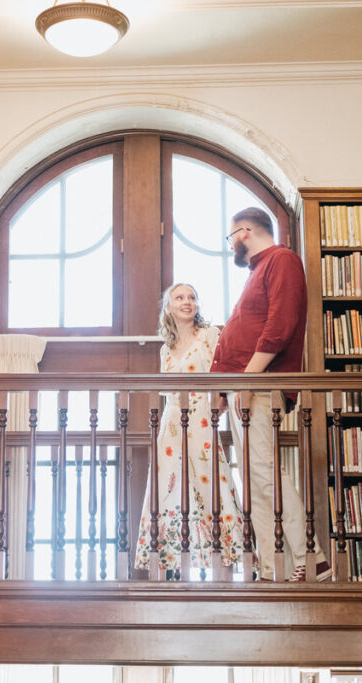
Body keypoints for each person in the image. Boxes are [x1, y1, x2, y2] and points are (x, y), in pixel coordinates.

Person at [211, 206, 330, 582]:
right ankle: (271, 567)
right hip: (244, 387)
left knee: (263, 473)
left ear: (244, 232)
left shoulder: (282, 260)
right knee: (254, 478)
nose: (231, 244)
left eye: (230, 237)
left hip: (258, 387)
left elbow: (280, 325)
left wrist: (248, 381)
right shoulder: (257, 270)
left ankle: (312, 558)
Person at [135, 282, 245, 575]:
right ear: (168, 307)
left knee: (212, 482)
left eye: (192, 297)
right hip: (172, 423)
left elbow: (222, 371)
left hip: (201, 418)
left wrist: (220, 400)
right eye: (180, 297)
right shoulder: (165, 349)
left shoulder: (209, 335)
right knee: (169, 486)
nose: (187, 302)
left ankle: (227, 557)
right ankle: (169, 560)